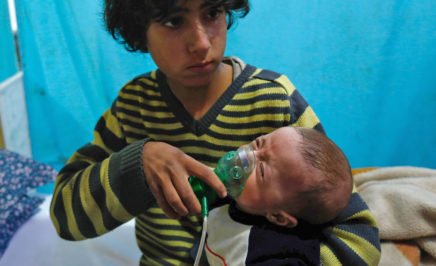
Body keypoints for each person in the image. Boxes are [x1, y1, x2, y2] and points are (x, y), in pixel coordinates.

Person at [49, 0, 381, 265]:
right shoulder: (133, 107)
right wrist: (137, 164)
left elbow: (352, 226)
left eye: (212, 12)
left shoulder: (274, 100)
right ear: (139, 30)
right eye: (174, 21)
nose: (201, 42)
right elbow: (65, 219)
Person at [205, 126, 353, 265]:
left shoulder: (277, 254)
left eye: (261, 170)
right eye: (258, 143)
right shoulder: (229, 195)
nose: (248, 155)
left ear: (278, 217)